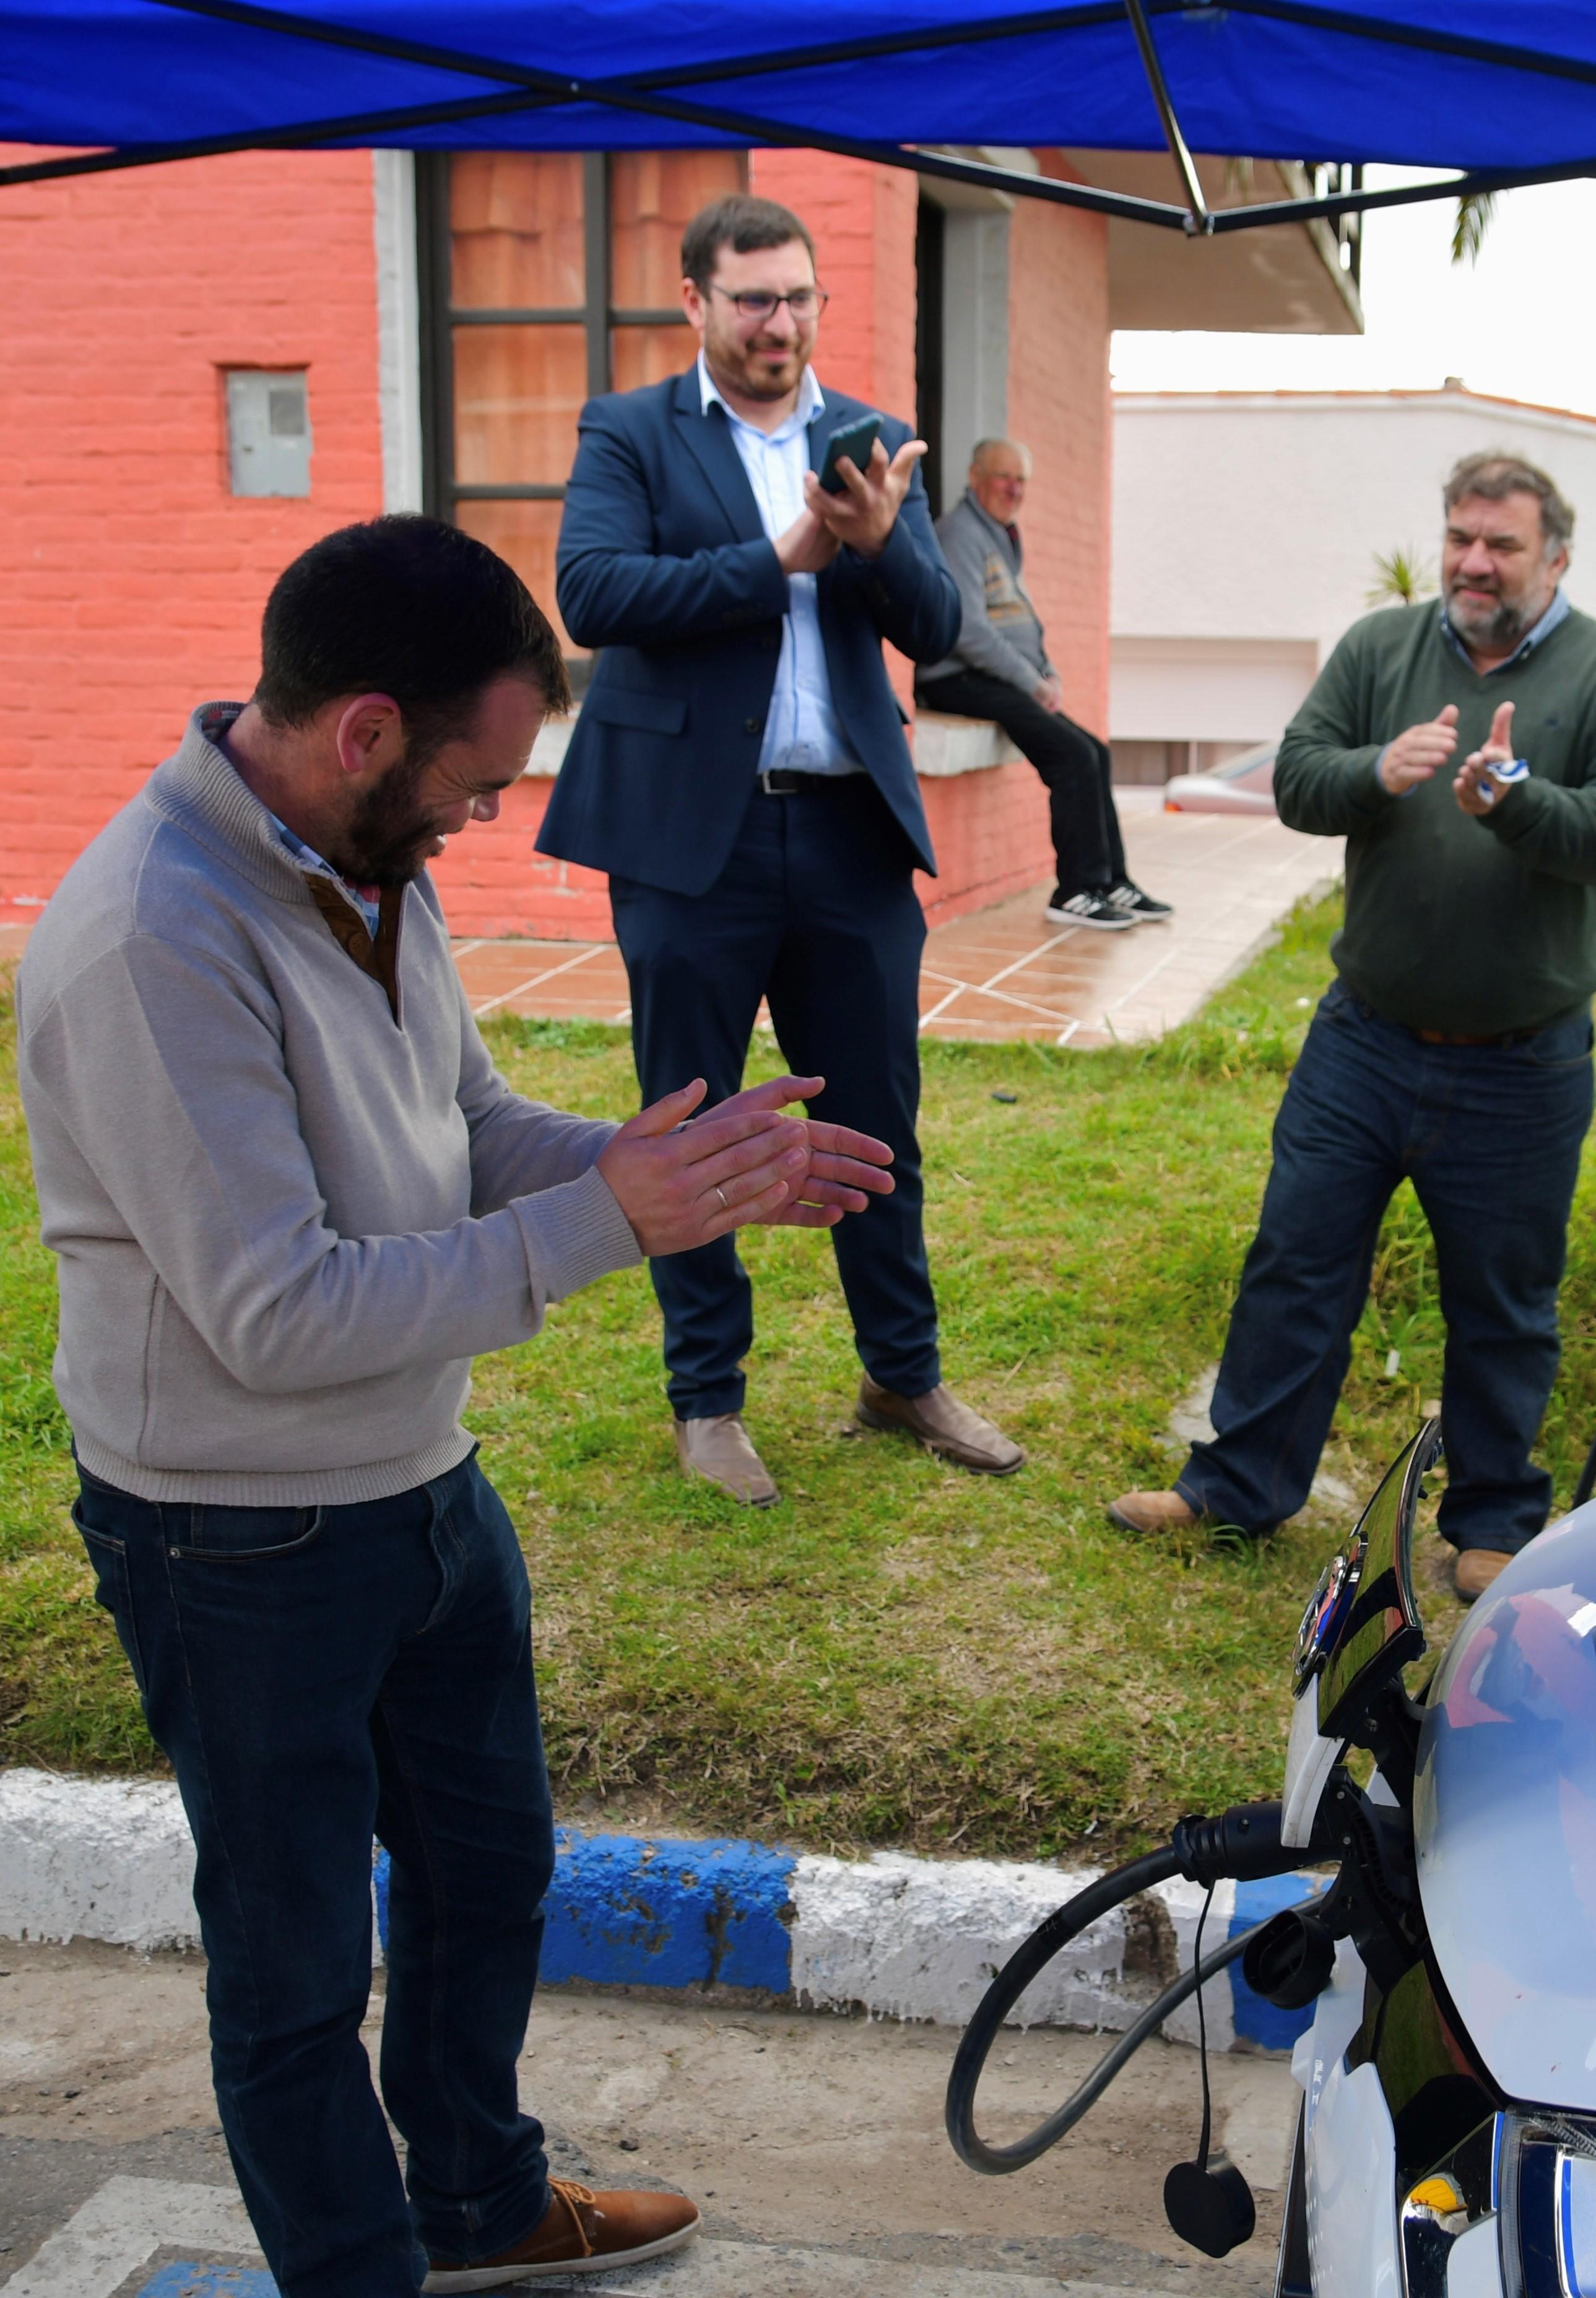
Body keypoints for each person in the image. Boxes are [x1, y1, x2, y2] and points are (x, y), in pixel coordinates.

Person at [17, 518, 897, 2297]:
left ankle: (482, 2205)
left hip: (418, 1485)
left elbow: (465, 1121)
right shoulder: (146, 943)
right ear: (362, 733)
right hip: (234, 1530)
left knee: (491, 1870)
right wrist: (605, 1225)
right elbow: (274, 1311)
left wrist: (665, 1164)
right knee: (290, 1972)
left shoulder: (361, 863)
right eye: (471, 783)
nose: (478, 820)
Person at [1106, 453, 1596, 1600]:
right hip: (1365, 1039)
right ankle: (1236, 1488)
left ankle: (1492, 1522)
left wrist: (1514, 802)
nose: (1473, 560)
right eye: (1461, 535)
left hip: (1522, 1061)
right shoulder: (1380, 650)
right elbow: (1299, 780)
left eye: (1501, 544)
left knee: (1503, 1301)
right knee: (1295, 1262)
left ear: (1554, 557)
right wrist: (1378, 768)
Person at [543, 191, 1025, 1504]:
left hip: (850, 833)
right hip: (693, 837)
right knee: (690, 1120)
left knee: (879, 1118)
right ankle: (707, 1398)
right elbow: (593, 594)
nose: (780, 320)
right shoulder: (632, 431)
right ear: (695, 303)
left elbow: (934, 628)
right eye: (753, 297)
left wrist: (874, 547)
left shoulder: (866, 437)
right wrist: (782, 554)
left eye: (800, 296)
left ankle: (901, 1372)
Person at [918, 437, 1169, 932]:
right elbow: (969, 630)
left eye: (1021, 480)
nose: (1013, 488)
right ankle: (1075, 889)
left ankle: (1110, 881)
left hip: (996, 677)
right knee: (1070, 755)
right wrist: (1032, 682)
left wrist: (1046, 670)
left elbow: (1019, 620)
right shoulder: (960, 534)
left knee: (1093, 751)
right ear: (974, 477)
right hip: (957, 678)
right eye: (1001, 476)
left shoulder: (1000, 534)